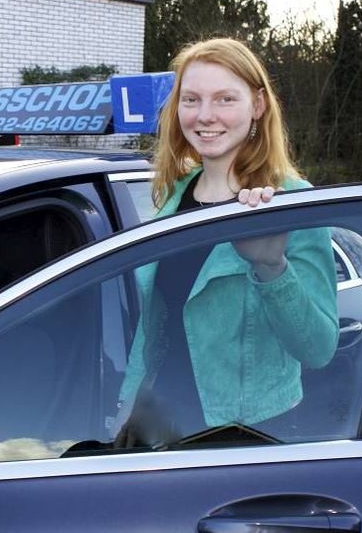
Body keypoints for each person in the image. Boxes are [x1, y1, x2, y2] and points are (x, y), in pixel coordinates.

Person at [114, 37, 338, 444]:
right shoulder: (174, 193)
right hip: (163, 428)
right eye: (191, 99)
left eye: (224, 99)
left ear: (257, 105)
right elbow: (153, 326)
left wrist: (272, 269)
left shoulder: (290, 201)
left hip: (247, 436)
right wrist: (127, 406)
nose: (204, 115)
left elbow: (319, 348)